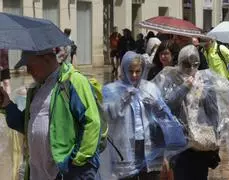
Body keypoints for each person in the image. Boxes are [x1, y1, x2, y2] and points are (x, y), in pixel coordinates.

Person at [0, 49, 101, 180]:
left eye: (30, 66)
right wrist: (7, 104)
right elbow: (25, 125)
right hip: (38, 174)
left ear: (47, 58)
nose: (28, 71)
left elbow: (92, 123)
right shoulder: (36, 90)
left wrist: (76, 162)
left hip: (65, 173)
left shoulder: (73, 81)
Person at [152, 45, 229, 180]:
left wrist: (217, 135)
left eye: (195, 64)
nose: (191, 68)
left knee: (200, 175)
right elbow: (166, 105)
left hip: (201, 140)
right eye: (186, 64)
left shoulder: (204, 80)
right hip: (180, 141)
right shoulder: (171, 78)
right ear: (179, 62)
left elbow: (213, 111)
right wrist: (184, 87)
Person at [102, 51, 186, 180]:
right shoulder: (111, 89)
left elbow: (165, 117)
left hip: (149, 146)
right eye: (131, 71)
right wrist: (123, 100)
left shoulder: (150, 88)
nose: (134, 75)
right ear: (123, 69)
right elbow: (106, 115)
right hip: (124, 148)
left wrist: (157, 105)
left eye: (138, 71)